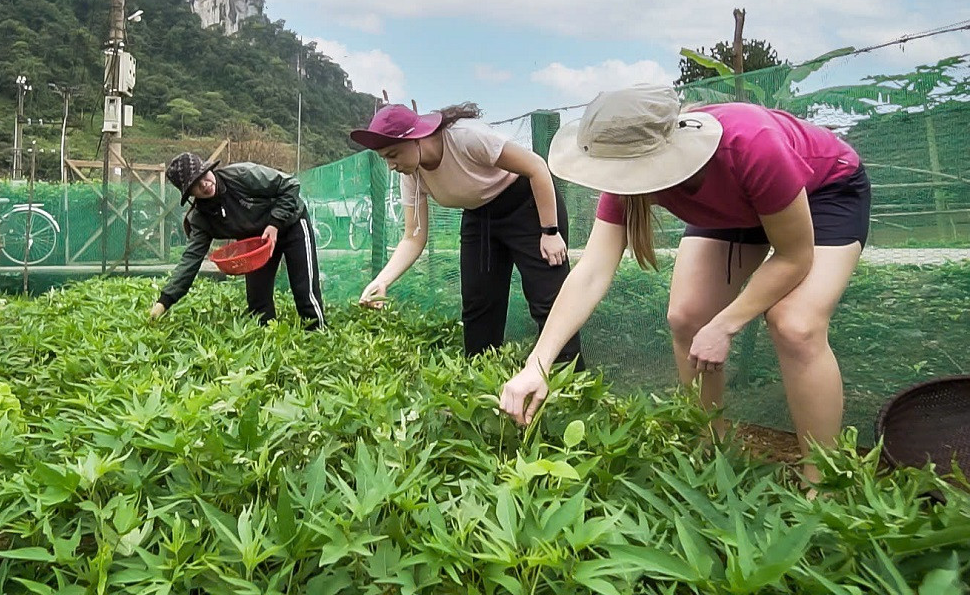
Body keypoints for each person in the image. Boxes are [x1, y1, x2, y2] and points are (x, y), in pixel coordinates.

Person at [498, 84, 871, 484]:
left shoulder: (750, 145)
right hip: (737, 208)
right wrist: (537, 364)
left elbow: (794, 256)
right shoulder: (624, 170)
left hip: (824, 192)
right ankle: (711, 445)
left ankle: (824, 479)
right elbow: (590, 272)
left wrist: (727, 323)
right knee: (688, 317)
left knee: (795, 325)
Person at [350, 103, 582, 367]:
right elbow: (413, 237)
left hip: (528, 206)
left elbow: (536, 167)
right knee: (479, 305)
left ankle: (569, 388)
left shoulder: (466, 137)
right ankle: (480, 382)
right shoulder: (411, 174)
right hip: (479, 216)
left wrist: (550, 231)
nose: (391, 166)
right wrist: (383, 281)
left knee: (548, 299)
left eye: (393, 155)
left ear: (415, 138)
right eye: (385, 159)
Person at [149, 152, 325, 329]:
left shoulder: (241, 175)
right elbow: (190, 260)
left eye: (202, 175)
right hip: (257, 241)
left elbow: (290, 185)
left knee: (305, 290)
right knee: (258, 303)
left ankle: (317, 334)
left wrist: (275, 224)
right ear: (189, 193)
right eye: (194, 185)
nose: (203, 184)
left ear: (209, 169)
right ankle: (268, 340)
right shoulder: (202, 218)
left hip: (290, 223)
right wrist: (164, 302)